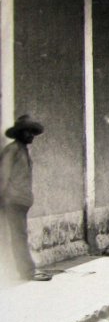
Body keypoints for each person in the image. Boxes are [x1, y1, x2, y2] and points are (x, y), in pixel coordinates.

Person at [0, 115, 51, 282]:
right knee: (19, 236)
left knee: (19, 235)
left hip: (21, 200)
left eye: (32, 132)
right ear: (19, 133)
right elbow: (3, 176)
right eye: (27, 131)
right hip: (12, 200)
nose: (31, 135)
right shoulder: (12, 150)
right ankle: (27, 271)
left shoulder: (23, 150)